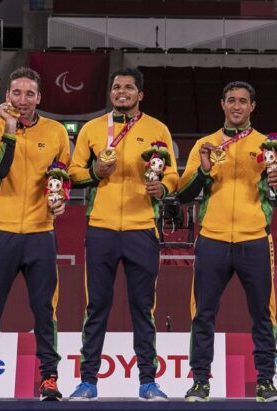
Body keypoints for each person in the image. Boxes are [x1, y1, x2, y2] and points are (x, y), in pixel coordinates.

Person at [177, 81, 277, 403]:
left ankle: (266, 382)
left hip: (255, 238)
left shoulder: (267, 145)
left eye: (243, 101)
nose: (237, 106)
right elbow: (183, 194)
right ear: (222, 104)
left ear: (252, 106)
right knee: (203, 314)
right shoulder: (205, 144)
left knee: (262, 314)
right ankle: (200, 381)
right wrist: (202, 171)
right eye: (231, 100)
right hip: (212, 239)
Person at [67, 68, 179, 401]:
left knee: (142, 308)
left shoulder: (157, 129)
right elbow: (72, 173)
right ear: (111, 93)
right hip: (100, 227)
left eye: (129, 88)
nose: (122, 92)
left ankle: (148, 382)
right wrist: (94, 172)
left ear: (140, 95)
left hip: (142, 227)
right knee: (96, 306)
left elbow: (172, 173)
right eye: (116, 87)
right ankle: (88, 382)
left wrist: (163, 187)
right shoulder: (91, 128)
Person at [0, 67, 70, 401]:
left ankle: (49, 378)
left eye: (29, 94)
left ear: (39, 98)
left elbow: (62, 174)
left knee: (44, 309)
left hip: (41, 233)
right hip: (1, 231)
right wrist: (9, 130)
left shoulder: (55, 132)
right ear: (6, 96)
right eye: (16, 93)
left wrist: (61, 198)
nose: (22, 100)